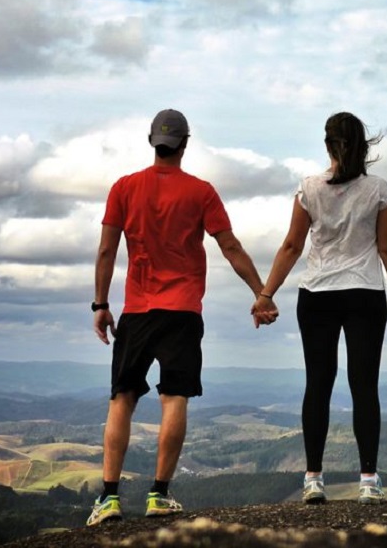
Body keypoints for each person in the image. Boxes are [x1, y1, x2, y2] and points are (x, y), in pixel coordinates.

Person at [87, 108, 275, 527]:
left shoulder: (124, 187)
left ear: (152, 141)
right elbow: (230, 246)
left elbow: (106, 251)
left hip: (137, 311)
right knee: (174, 398)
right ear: (184, 144)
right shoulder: (201, 192)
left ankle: (109, 498)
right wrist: (261, 293)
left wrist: (100, 304)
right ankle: (159, 495)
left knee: (122, 399)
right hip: (183, 311)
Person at [250, 112, 387, 505]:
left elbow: (292, 246)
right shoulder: (379, 191)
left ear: (327, 146)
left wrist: (266, 294)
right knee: (364, 386)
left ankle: (313, 479)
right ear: (364, 147)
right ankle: (368, 480)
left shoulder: (308, 189)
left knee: (318, 384)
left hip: (317, 295)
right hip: (364, 293)